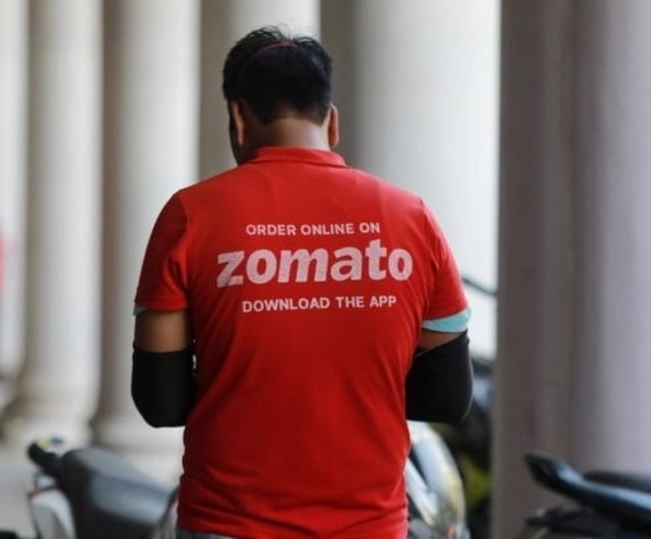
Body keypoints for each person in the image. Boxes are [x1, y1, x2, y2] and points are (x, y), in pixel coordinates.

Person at [132, 27, 473, 539]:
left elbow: (159, 403)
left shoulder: (190, 216)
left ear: (237, 119)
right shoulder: (411, 218)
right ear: (331, 122)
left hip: (228, 524)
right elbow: (447, 398)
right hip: (370, 527)